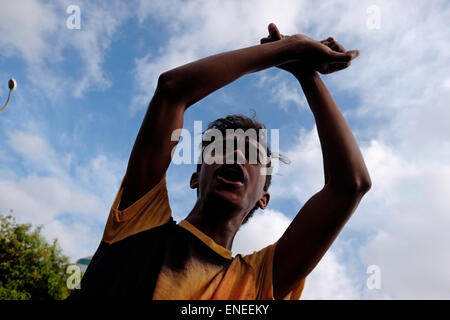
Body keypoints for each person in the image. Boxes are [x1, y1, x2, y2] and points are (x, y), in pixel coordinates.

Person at [68, 23, 371, 300]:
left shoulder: (259, 282)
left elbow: (351, 184)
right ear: (195, 177)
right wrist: (288, 49)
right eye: (221, 148)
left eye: (253, 156)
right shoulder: (139, 223)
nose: (236, 155)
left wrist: (305, 73)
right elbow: (172, 90)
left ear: (263, 199)